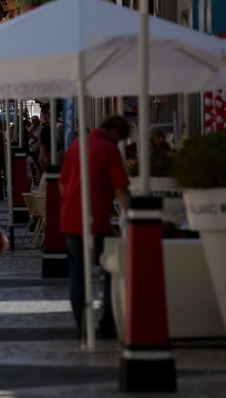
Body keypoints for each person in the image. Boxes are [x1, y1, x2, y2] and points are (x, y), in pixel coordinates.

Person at [59, 115, 131, 342]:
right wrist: (133, 216)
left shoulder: (76, 144)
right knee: (111, 268)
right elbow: (121, 189)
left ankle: (82, 325)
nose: (119, 143)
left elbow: (62, 184)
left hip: (70, 217)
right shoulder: (109, 150)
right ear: (114, 131)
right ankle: (108, 322)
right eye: (121, 138)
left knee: (78, 274)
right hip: (95, 220)